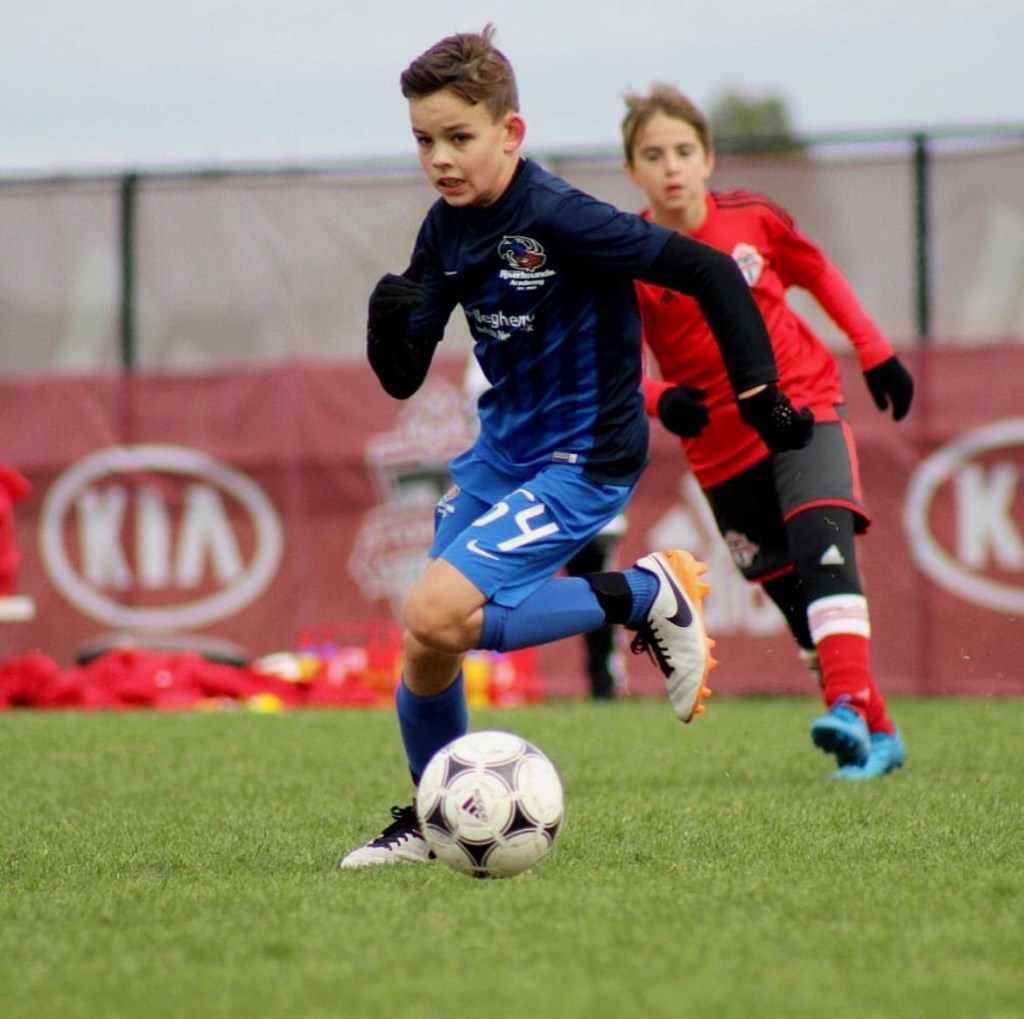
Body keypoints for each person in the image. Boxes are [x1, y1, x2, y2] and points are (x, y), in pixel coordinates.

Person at [339, 27, 813, 869]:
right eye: (424, 140)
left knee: (430, 609)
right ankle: (432, 815)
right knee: (430, 639)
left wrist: (757, 391)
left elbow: (708, 274)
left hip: (582, 456)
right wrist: (387, 330)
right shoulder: (444, 229)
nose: (440, 158)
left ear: (510, 134)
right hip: (502, 454)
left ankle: (643, 592)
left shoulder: (559, 215)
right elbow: (405, 375)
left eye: (459, 137)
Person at [622, 83, 913, 781]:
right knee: (794, 600)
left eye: (684, 150)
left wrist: (874, 349)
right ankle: (883, 734)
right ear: (633, 170)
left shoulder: (753, 218)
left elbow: (818, 273)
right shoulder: (630, 257)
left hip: (801, 407)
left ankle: (844, 707)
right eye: (654, 154)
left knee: (825, 549)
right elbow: (619, 368)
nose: (672, 166)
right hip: (719, 451)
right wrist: (662, 400)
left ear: (709, 157)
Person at [462, 355, 627, 700]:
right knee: (495, 592)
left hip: (580, 493)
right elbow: (483, 422)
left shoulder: (582, 336)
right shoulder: (492, 346)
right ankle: (501, 682)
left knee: (599, 587)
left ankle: (606, 685)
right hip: (521, 501)